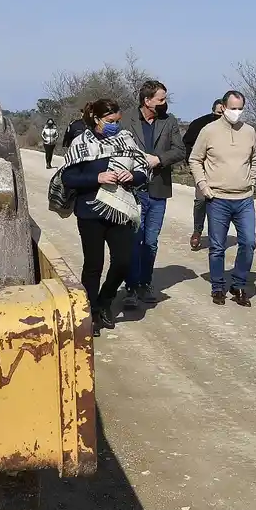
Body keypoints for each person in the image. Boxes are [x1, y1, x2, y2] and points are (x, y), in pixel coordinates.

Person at [59, 99, 150, 334]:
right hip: (90, 211)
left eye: (117, 121)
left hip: (121, 210)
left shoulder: (126, 139)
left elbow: (143, 169)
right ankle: (91, 312)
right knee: (94, 265)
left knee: (123, 261)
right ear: (97, 119)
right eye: (110, 122)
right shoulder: (81, 143)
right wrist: (97, 178)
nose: (115, 127)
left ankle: (105, 301)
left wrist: (132, 176)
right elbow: (68, 178)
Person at [190, 90, 256, 306]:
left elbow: (255, 159)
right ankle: (218, 286)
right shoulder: (209, 131)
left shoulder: (249, 131)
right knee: (217, 246)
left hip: (244, 198)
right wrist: (203, 186)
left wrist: (252, 181)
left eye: (240, 108)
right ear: (223, 107)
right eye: (233, 108)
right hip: (217, 198)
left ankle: (238, 284)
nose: (236, 112)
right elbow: (195, 159)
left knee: (248, 243)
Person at [126, 80, 187, 307]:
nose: (164, 102)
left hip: (158, 188)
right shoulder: (127, 120)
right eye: (160, 99)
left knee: (150, 241)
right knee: (134, 240)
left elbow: (180, 150)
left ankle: (145, 283)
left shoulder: (168, 121)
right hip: (132, 189)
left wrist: (159, 159)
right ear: (147, 100)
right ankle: (130, 287)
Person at [183, 99, 226, 250]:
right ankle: (197, 231)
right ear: (213, 110)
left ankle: (217, 235)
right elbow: (187, 142)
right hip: (202, 169)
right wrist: (190, 161)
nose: (221, 116)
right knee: (201, 200)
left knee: (219, 203)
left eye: (224, 112)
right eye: (218, 113)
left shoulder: (232, 127)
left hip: (223, 171)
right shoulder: (199, 124)